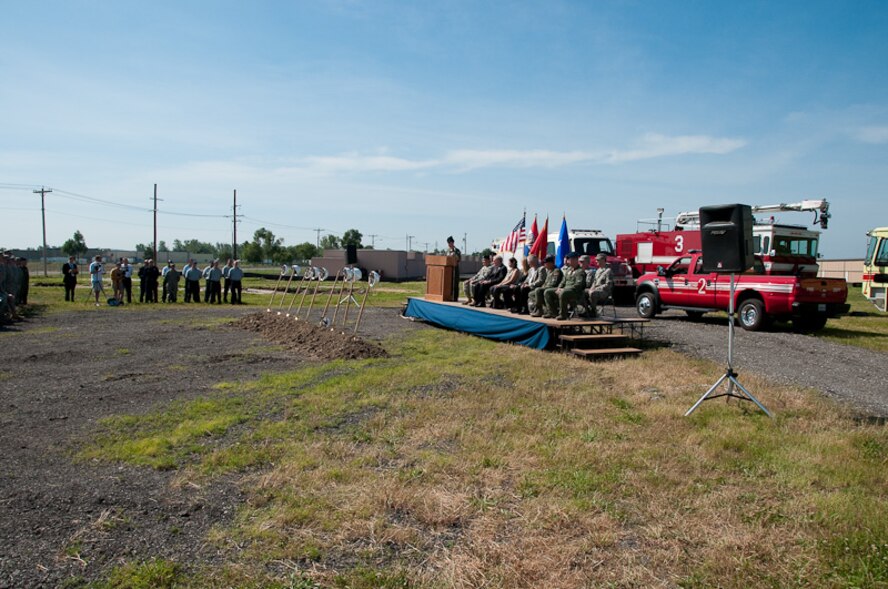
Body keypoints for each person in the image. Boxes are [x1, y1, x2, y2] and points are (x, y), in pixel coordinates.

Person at [543, 252, 586, 320]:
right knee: (547, 292)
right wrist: (559, 287)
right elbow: (563, 281)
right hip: (565, 290)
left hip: (575, 293)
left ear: (575, 260)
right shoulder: (568, 270)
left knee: (563, 293)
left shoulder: (580, 271)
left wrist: (564, 289)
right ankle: (552, 312)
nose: (568, 261)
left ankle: (563, 314)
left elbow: (578, 285)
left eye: (569, 259)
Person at [585, 253, 614, 317]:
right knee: (582, 292)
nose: (596, 261)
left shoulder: (608, 271)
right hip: (595, 289)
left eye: (598, 260)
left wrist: (595, 289)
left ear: (603, 260)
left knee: (593, 293)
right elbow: (594, 282)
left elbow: (608, 285)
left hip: (604, 292)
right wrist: (591, 288)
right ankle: (586, 309)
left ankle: (593, 311)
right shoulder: (598, 270)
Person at [445, 236, 461, 302]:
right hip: (448, 269)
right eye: (448, 243)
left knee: (455, 283)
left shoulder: (457, 250)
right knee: (449, 283)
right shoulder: (447, 250)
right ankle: (449, 296)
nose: (449, 244)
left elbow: (459, 259)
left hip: (455, 268)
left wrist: (454, 255)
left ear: (453, 243)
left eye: (450, 243)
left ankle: (455, 297)